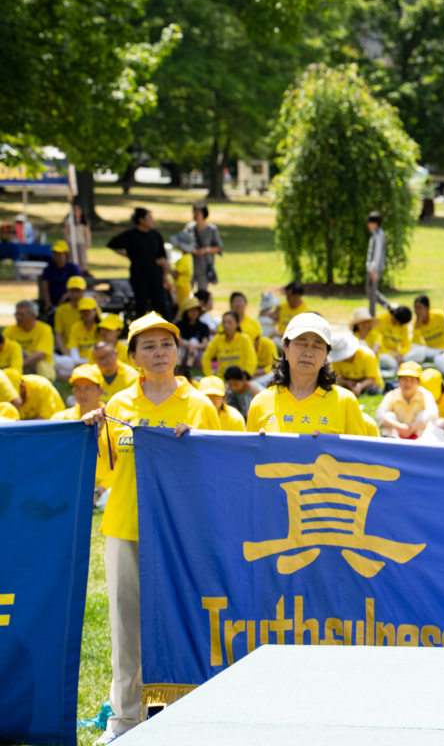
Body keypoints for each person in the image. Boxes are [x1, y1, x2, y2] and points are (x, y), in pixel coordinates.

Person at [81, 312, 220, 745]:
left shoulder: (200, 405)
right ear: (134, 357)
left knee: (183, 622)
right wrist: (91, 430)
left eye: (167, 345)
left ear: (178, 352)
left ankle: (183, 717)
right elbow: (107, 468)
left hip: (180, 534)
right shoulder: (117, 406)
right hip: (126, 527)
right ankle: (125, 721)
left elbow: (216, 469)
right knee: (126, 628)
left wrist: (195, 444)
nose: (160, 353)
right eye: (149, 346)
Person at [246, 313, 368, 435]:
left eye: (317, 345)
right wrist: (262, 444)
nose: (308, 353)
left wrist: (327, 444)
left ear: (327, 354)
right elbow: (248, 447)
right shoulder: (260, 403)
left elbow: (357, 447)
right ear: (285, 348)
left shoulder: (345, 402)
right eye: (301, 343)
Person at [108, 207, 172, 317]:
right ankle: (140, 328)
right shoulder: (131, 235)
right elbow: (113, 244)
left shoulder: (155, 235)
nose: (152, 220)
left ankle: (168, 327)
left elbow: (163, 257)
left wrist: (165, 275)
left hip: (155, 275)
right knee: (141, 306)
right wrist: (128, 255)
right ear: (141, 220)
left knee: (161, 305)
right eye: (149, 217)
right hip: (139, 276)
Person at [376, 361, 437, 438]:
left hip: (418, 435)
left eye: (412, 380)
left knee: (424, 414)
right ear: (399, 381)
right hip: (397, 434)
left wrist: (412, 428)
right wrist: (399, 426)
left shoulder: (425, 394)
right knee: (389, 415)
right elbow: (379, 415)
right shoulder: (392, 395)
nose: (408, 384)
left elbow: (434, 414)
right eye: (404, 379)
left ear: (418, 382)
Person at [4, 301, 55, 379]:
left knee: (41, 363)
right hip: (16, 362)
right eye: (17, 314)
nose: (18, 318)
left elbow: (39, 354)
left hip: (34, 364)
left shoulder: (44, 329)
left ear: (33, 316)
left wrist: (16, 365)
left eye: (22, 315)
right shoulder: (9, 331)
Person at [181, 202, 223, 291]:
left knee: (202, 292)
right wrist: (192, 250)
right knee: (187, 291)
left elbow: (219, 247)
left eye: (198, 213)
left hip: (204, 266)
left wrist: (205, 250)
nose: (195, 215)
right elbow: (182, 243)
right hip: (191, 265)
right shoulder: (189, 227)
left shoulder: (211, 229)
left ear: (204, 214)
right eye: (194, 212)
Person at [201, 312, 256, 378]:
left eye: (230, 323)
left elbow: (251, 360)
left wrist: (245, 375)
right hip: (222, 378)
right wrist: (209, 376)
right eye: (224, 322)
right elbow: (206, 357)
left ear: (237, 324)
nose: (226, 326)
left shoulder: (244, 338)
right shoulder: (218, 339)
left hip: (239, 379)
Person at [330, 331, 383, 396]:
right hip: (349, 383)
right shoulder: (337, 360)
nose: (342, 359)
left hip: (369, 385)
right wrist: (347, 382)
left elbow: (372, 379)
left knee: (374, 391)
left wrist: (359, 387)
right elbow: (336, 378)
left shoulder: (368, 355)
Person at [39, 239, 82, 310]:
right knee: (34, 306)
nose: (56, 256)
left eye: (59, 254)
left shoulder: (73, 268)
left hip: (68, 298)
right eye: (54, 253)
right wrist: (47, 301)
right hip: (52, 299)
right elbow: (45, 288)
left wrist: (64, 297)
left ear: (66, 254)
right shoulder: (48, 269)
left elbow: (77, 287)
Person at [53, 275, 89, 356]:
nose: (75, 295)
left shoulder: (92, 308)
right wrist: (66, 353)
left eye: (78, 291)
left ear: (85, 291)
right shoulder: (61, 310)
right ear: (67, 292)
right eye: (72, 291)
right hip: (68, 351)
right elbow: (58, 334)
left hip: (89, 351)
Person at [64, 297, 102, 370]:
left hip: (97, 360)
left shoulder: (101, 326)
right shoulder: (75, 327)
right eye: (83, 311)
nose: (86, 313)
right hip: (79, 360)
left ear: (95, 311)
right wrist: (77, 362)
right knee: (59, 360)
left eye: (88, 310)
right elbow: (73, 347)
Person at [408, 294, 444, 363]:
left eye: (419, 308)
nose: (416, 311)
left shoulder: (439, 316)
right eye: (415, 308)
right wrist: (418, 326)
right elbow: (415, 344)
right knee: (414, 347)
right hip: (431, 351)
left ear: (427, 307)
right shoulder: (416, 323)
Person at [176, 297, 211, 370]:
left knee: (193, 340)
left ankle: (188, 366)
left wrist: (192, 346)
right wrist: (188, 346)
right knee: (181, 345)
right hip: (183, 353)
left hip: (197, 355)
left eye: (196, 310)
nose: (194, 312)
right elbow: (178, 339)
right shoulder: (179, 325)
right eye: (191, 310)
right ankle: (178, 366)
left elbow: (204, 344)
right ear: (186, 312)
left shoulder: (204, 326)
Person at [366, 211, 386, 316]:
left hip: (375, 269)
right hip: (373, 268)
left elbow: (377, 255)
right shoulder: (375, 234)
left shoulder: (378, 235)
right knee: (370, 292)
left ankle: (372, 315)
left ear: (375, 223)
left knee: (372, 294)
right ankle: (389, 306)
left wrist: (373, 270)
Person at [64, 203, 91, 270]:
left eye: (77, 210)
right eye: (74, 210)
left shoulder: (84, 221)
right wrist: (65, 242)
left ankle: (80, 270)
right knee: (72, 258)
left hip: (81, 241)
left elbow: (87, 232)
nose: (76, 212)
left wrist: (88, 242)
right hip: (71, 242)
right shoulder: (69, 221)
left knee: (81, 258)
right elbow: (66, 232)